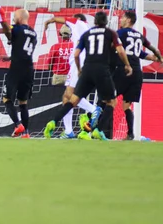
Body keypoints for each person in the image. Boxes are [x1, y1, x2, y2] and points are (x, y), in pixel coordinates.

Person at [44, 12, 132, 141]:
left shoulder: (81, 26)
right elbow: (120, 50)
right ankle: (75, 130)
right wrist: (127, 65)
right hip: (101, 69)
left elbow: (75, 53)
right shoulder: (110, 33)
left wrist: (50, 20)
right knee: (109, 101)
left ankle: (87, 112)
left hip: (84, 66)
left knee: (70, 97)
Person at [44, 13, 98, 138]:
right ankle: (68, 131)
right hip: (80, 63)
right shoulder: (86, 30)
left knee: (70, 95)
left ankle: (94, 110)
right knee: (66, 98)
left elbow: (62, 19)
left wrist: (50, 21)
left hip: (78, 63)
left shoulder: (78, 24)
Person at [115, 11, 162, 140]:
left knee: (108, 99)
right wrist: (157, 58)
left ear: (129, 20)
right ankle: (130, 134)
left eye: (123, 17)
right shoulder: (139, 35)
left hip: (123, 70)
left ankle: (96, 130)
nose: (121, 19)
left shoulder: (120, 33)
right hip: (137, 74)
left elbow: (116, 47)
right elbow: (143, 52)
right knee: (126, 105)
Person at [0, 9, 37, 139]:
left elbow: (5, 29)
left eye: (14, 17)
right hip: (29, 69)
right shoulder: (34, 33)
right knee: (23, 102)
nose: (13, 19)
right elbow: (24, 50)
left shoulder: (16, 28)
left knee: (6, 98)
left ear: (20, 17)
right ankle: (26, 133)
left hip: (16, 68)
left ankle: (17, 124)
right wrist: (10, 57)